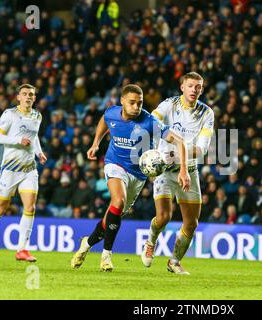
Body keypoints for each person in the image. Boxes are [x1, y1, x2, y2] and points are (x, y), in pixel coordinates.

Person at [70, 84, 190, 272]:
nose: (136, 107)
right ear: (122, 101)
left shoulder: (149, 121)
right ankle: (106, 256)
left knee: (110, 218)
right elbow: (103, 121)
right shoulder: (112, 114)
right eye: (132, 103)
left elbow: (180, 141)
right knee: (118, 202)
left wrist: (184, 169)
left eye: (140, 103)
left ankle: (87, 243)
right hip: (115, 164)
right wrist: (96, 143)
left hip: (138, 175)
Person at [141, 72, 214, 275]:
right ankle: (151, 241)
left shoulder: (207, 113)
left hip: (188, 171)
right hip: (164, 169)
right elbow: (150, 123)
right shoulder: (168, 105)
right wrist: (154, 152)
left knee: (191, 222)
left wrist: (177, 157)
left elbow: (201, 149)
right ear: (182, 87)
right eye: (190, 86)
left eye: (198, 87)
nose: (194, 90)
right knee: (163, 217)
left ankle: (174, 261)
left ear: (202, 89)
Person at [0, 84, 47, 262]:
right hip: (10, 169)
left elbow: (34, 136)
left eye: (31, 94)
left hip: (29, 169)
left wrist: (39, 152)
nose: (28, 97)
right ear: (18, 97)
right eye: (24, 94)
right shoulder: (10, 114)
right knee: (0, 208)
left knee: (30, 207)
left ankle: (21, 250)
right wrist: (17, 140)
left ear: (34, 98)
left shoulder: (37, 115)